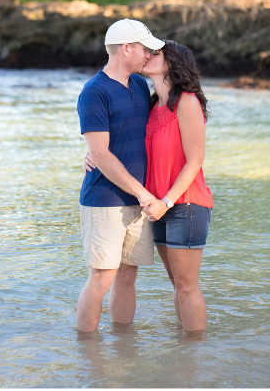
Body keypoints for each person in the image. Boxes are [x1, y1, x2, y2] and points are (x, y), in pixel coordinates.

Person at [86, 40, 214, 335]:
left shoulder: (188, 102)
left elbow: (195, 161)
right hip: (156, 206)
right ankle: (183, 356)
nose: (146, 56)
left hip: (186, 205)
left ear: (173, 63)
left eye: (155, 54)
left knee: (186, 286)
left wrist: (166, 201)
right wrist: (92, 154)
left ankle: (195, 359)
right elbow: (116, 138)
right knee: (176, 284)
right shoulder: (151, 103)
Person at [75, 18, 164, 332]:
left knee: (128, 277)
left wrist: (144, 194)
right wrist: (143, 193)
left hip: (140, 200)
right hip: (106, 201)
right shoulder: (94, 92)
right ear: (126, 49)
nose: (149, 55)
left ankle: (124, 351)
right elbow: (100, 154)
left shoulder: (140, 85)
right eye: (144, 48)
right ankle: (89, 360)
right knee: (102, 278)